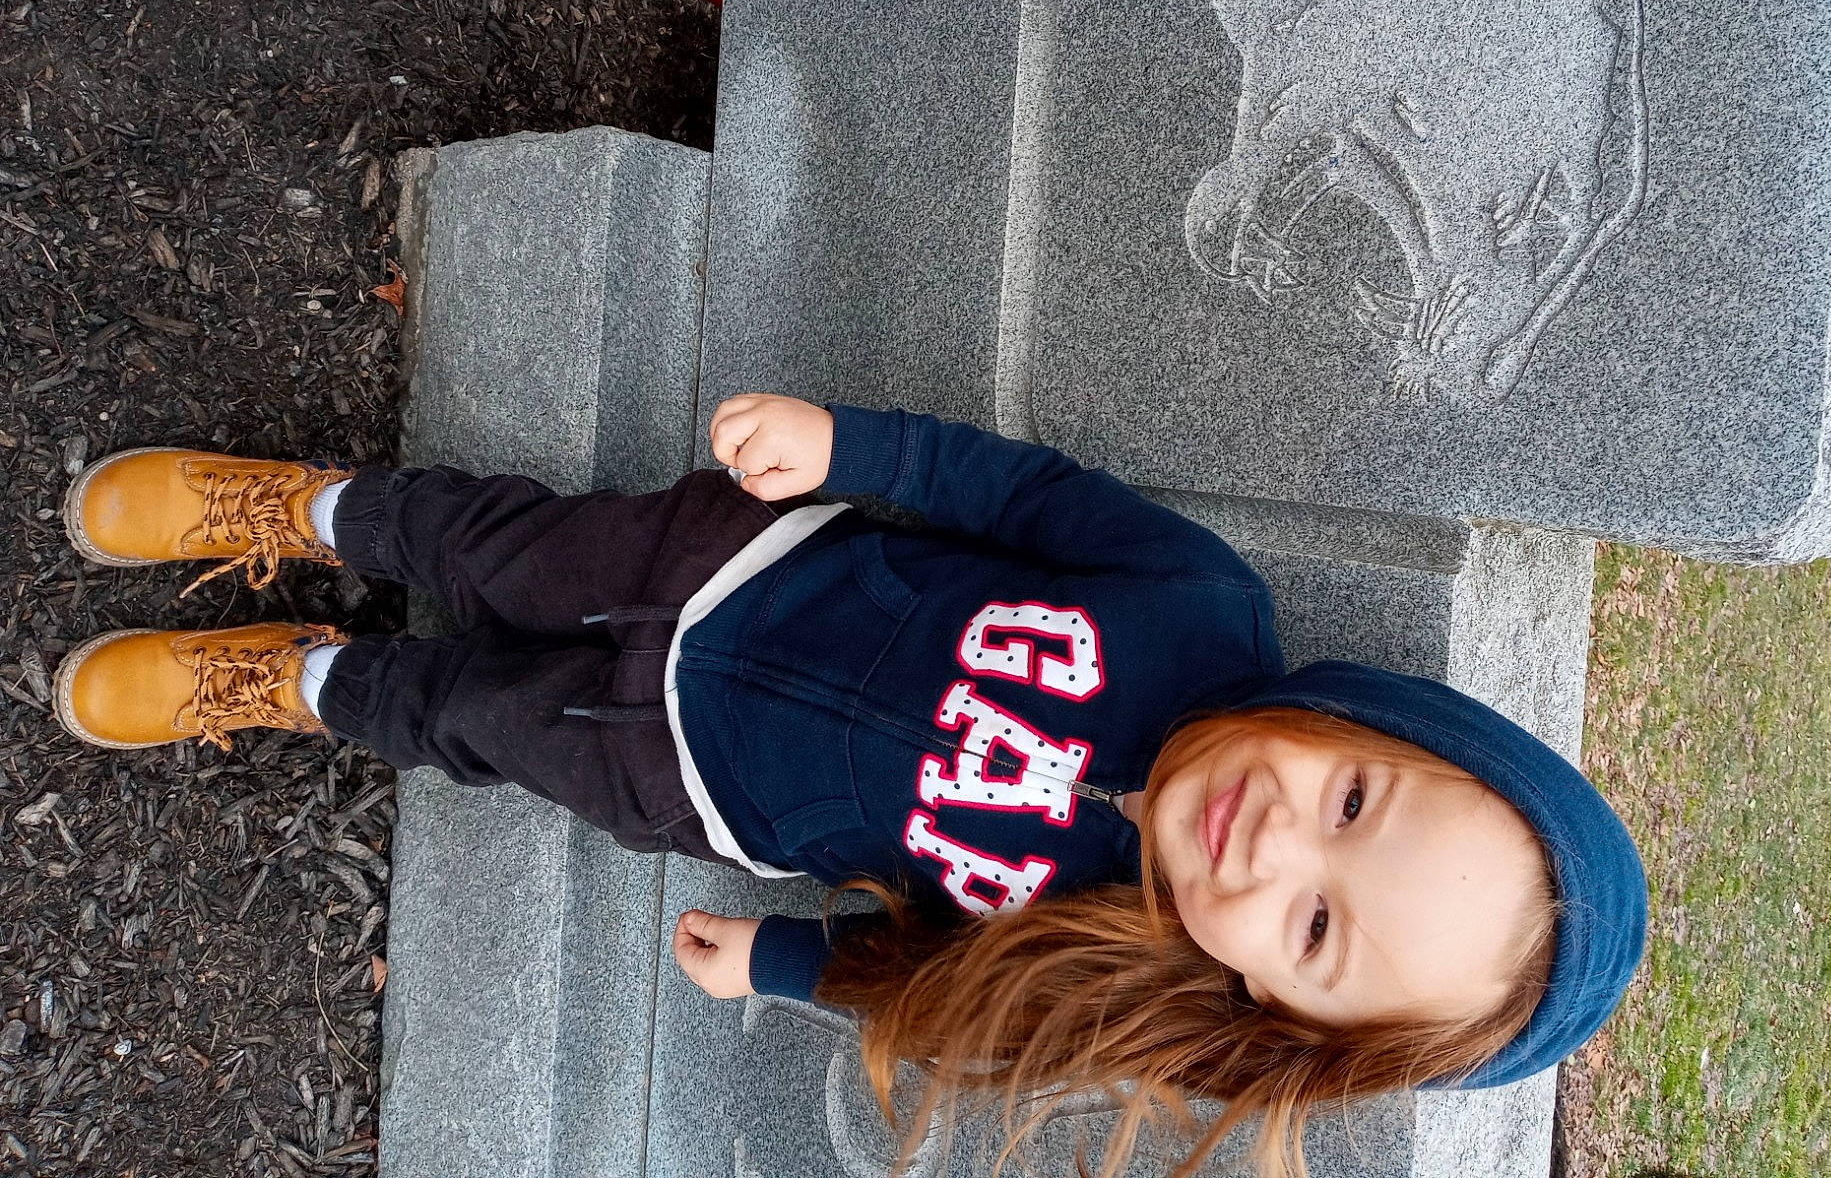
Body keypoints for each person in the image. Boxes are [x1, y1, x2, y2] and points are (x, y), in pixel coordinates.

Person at [55, 394, 1646, 1178]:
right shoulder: (1199, 609)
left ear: (1274, 1006)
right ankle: (311, 510)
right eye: (1357, 803)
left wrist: (782, 961)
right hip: (732, 562)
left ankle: (302, 680)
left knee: (477, 724)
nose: (1280, 842)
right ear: (1381, 722)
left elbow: (946, 1000)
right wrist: (848, 445)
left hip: (694, 782)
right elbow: (1025, 494)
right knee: (487, 538)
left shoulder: (1111, 957)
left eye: (1314, 929)